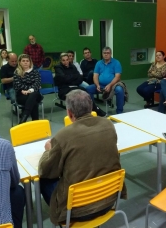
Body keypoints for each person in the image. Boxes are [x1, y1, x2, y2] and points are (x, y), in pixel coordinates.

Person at [38, 89, 126, 226]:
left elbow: (45, 170)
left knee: (43, 180)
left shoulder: (63, 136)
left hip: (77, 211)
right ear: (91, 108)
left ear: (69, 113)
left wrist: (48, 151)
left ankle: (60, 217)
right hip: (109, 200)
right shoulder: (108, 125)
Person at [86, 47, 125, 114]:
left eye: (108, 53)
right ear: (102, 54)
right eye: (104, 53)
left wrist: (110, 85)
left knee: (120, 90)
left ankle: (119, 111)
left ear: (111, 54)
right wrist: (97, 84)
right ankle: (93, 109)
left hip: (113, 85)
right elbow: (95, 76)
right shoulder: (99, 63)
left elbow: (117, 77)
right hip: (101, 85)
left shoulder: (116, 63)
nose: (106, 54)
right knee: (88, 89)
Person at [13, 54, 43, 124]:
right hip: (21, 96)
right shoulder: (16, 72)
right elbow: (18, 85)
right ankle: (36, 123)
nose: (25, 62)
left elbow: (37, 83)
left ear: (30, 63)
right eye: (23, 61)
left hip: (35, 94)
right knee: (33, 101)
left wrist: (29, 91)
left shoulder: (35, 72)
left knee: (34, 94)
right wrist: (32, 89)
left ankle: (23, 119)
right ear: (20, 62)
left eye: (27, 61)